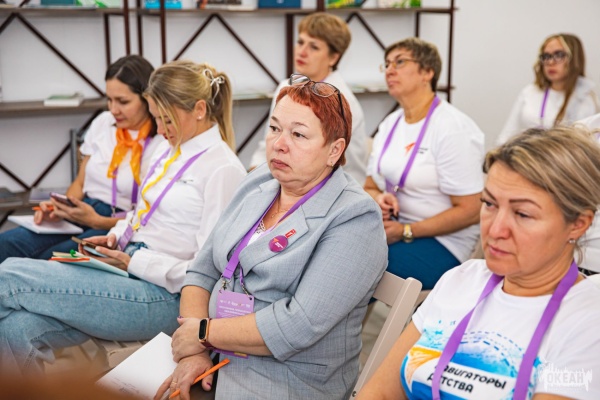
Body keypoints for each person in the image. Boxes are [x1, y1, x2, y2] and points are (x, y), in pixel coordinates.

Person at [0, 60, 246, 376]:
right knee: (14, 326)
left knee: (9, 276)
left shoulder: (223, 169)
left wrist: (135, 262)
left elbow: (208, 272)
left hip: (167, 297)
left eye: (166, 119)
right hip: (125, 270)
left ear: (199, 109)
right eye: (157, 118)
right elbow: (144, 213)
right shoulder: (169, 149)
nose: (160, 130)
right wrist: (116, 235)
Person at [154, 74, 388, 400]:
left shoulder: (355, 217)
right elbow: (202, 270)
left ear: (334, 150)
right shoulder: (262, 180)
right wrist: (194, 349)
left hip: (284, 380)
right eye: (275, 128)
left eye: (298, 134)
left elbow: (299, 325)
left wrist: (204, 333)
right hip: (214, 356)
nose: (279, 143)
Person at [357, 126, 600, 400]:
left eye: (522, 214)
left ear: (578, 224)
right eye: (489, 204)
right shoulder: (461, 280)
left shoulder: (588, 324)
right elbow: (379, 393)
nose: (495, 230)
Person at [0, 55, 164, 263]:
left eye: (123, 101)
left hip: (118, 223)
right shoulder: (103, 123)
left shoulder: (162, 141)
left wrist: (97, 220)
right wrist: (60, 209)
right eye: (109, 99)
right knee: (5, 243)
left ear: (147, 99)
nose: (113, 109)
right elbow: (80, 182)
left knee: (52, 260)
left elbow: (150, 217)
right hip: (83, 209)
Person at [364, 37, 484, 290]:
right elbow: (369, 186)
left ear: (427, 72)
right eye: (387, 64)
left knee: (357, 264)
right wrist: (379, 198)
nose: (389, 70)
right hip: (392, 231)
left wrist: (406, 230)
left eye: (400, 62)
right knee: (330, 249)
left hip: (443, 242)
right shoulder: (391, 123)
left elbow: (472, 210)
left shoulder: (452, 127)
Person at [249, 12, 369, 185]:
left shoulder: (342, 102)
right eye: (300, 42)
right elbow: (267, 146)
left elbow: (348, 170)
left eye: (314, 47)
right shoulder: (286, 87)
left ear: (333, 57)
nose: (302, 52)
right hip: (281, 180)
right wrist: (254, 181)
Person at [498, 33, 600, 144]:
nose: (550, 62)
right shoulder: (530, 92)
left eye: (559, 55)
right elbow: (506, 136)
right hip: (528, 153)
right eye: (546, 56)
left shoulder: (587, 100)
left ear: (574, 59)